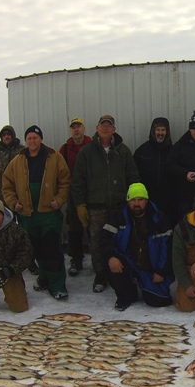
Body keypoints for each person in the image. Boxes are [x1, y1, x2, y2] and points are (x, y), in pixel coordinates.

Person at [71, 114, 140, 293]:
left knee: (122, 240)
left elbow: (133, 178)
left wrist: (134, 202)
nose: (106, 128)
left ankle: (123, 271)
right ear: (97, 128)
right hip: (96, 208)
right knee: (97, 242)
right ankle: (101, 273)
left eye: (109, 126)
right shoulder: (86, 152)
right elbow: (78, 181)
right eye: (103, 125)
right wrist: (80, 205)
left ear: (114, 130)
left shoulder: (123, 151)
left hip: (119, 207)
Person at [2, 125, 71, 300]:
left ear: (40, 139)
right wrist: (14, 203)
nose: (32, 141)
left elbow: (65, 181)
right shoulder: (18, 160)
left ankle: (57, 285)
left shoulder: (54, 157)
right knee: (36, 249)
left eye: (35, 137)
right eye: (29, 138)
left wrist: (59, 199)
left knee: (52, 250)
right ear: (26, 141)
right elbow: (7, 185)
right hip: (27, 214)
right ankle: (44, 277)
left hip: (48, 212)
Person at [100, 183, 174, 311]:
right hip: (129, 262)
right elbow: (104, 239)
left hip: (152, 267)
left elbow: (167, 247)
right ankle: (125, 295)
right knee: (110, 263)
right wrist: (111, 256)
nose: (136, 203)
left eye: (140, 200)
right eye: (133, 200)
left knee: (159, 300)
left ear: (146, 200)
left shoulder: (159, 218)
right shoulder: (119, 217)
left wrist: (161, 271)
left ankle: (146, 284)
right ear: (128, 201)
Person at [58, 118, 90, 276]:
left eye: (79, 126)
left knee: (95, 228)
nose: (76, 130)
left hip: (93, 192)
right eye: (73, 127)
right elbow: (60, 172)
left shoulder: (93, 145)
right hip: (74, 194)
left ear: (84, 128)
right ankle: (76, 259)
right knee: (75, 228)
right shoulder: (64, 149)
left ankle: (100, 260)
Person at [133, 117, 179, 227]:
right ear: (153, 131)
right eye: (158, 130)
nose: (160, 133)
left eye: (163, 130)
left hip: (169, 201)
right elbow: (133, 174)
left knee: (168, 228)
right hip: (148, 199)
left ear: (167, 132)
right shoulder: (142, 151)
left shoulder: (175, 151)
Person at [0, 125, 25, 202]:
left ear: (13, 136)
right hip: (2, 200)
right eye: (4, 135)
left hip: (22, 198)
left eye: (8, 134)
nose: (6, 136)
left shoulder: (22, 152)